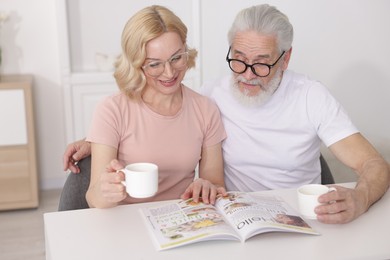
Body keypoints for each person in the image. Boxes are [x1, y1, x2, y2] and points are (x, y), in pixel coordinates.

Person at [64, 4, 389, 223]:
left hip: (295, 218)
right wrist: (96, 140)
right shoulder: (213, 95)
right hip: (224, 217)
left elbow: (374, 164)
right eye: (238, 58)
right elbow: (151, 116)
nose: (247, 74)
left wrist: (361, 197)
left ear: (285, 60)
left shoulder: (309, 97)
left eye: (262, 63)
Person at [74, 5, 227, 209]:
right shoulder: (112, 110)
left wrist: (206, 186)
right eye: (155, 64)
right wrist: (106, 192)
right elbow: (94, 197)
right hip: (127, 222)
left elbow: (215, 183)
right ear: (136, 64)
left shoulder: (205, 109)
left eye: (176, 58)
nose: (169, 72)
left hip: (182, 222)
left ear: (186, 51)